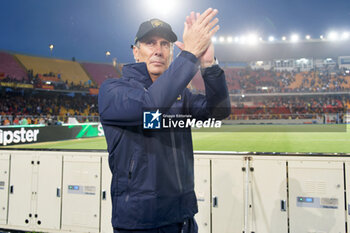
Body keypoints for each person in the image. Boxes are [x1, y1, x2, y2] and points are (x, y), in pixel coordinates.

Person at [99, 8, 230, 233]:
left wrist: (209, 66)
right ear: (135, 52)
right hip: (141, 222)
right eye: (150, 43)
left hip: (183, 217)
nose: (158, 50)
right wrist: (189, 55)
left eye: (165, 44)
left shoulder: (182, 96)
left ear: (171, 52)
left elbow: (219, 111)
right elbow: (149, 104)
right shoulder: (113, 90)